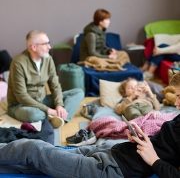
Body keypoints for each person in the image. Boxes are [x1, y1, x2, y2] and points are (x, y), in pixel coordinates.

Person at [0, 72, 179, 177]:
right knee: (36, 158)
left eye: (179, 96)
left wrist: (154, 159)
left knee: (33, 149)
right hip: (114, 151)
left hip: (112, 169)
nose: (176, 103)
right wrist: (142, 140)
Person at [7, 30, 84, 128]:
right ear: (33, 47)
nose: (49, 47)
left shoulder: (48, 59)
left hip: (42, 100)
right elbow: (21, 96)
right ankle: (55, 116)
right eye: (45, 44)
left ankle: (61, 118)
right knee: (34, 115)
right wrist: (48, 110)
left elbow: (55, 85)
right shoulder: (18, 63)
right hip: (21, 105)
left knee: (78, 93)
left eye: (49, 43)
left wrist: (59, 105)